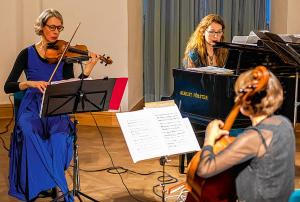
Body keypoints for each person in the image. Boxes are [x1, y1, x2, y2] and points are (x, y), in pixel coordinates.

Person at [4, 8, 100, 202]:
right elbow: (8, 86)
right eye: (52, 27)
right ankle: (60, 185)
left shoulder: (64, 55)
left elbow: (71, 87)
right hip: (32, 106)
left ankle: (55, 184)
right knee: (29, 132)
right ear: (41, 28)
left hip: (56, 105)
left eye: (59, 27)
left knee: (59, 138)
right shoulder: (26, 54)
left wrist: (87, 71)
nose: (56, 32)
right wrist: (29, 83)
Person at [196, 68, 295, 201]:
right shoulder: (285, 123)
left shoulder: (253, 138)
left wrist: (209, 139)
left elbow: (204, 169)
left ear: (245, 101)